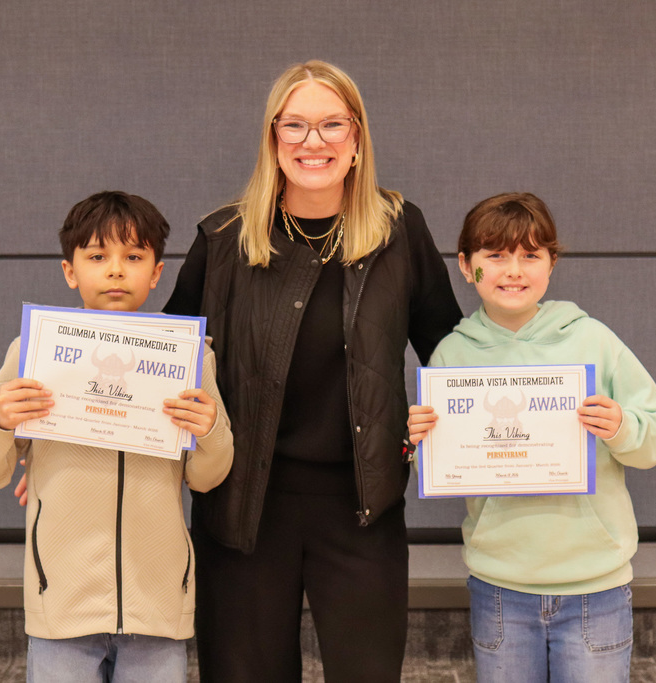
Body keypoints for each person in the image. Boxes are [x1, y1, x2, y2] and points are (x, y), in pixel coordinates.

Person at [163, 60, 463, 682]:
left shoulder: (399, 230)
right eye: (295, 125)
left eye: (332, 125)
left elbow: (454, 354)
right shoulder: (222, 239)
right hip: (242, 508)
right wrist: (64, 445)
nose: (313, 141)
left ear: (356, 139)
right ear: (273, 137)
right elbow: (157, 366)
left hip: (361, 508)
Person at [407, 192, 656, 683]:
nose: (514, 270)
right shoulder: (451, 355)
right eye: (496, 255)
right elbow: (443, 466)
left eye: (530, 255)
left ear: (551, 264)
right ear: (467, 267)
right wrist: (418, 443)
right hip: (499, 588)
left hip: (595, 585)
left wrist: (622, 426)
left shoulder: (592, 339)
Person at [0, 191, 233, 683]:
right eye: (97, 256)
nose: (115, 270)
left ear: (156, 273)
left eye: (133, 257)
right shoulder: (32, 352)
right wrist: (1, 421)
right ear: (70, 271)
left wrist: (210, 429)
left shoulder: (191, 360)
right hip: (61, 602)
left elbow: (209, 479)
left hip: (157, 605)